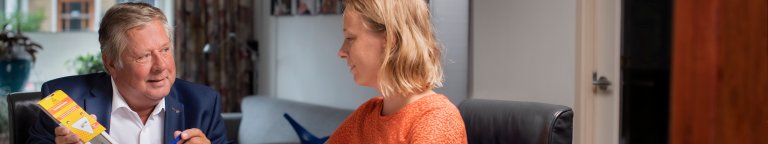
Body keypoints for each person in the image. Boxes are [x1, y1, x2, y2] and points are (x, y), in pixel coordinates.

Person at [27, 3, 228, 144]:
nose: (161, 66)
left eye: (165, 50)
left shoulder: (203, 103)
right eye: (144, 56)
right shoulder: (66, 98)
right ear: (111, 63)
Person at [328, 0, 467, 143]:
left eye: (350, 38)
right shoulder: (367, 115)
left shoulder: (436, 120)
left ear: (389, 41)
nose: (341, 52)